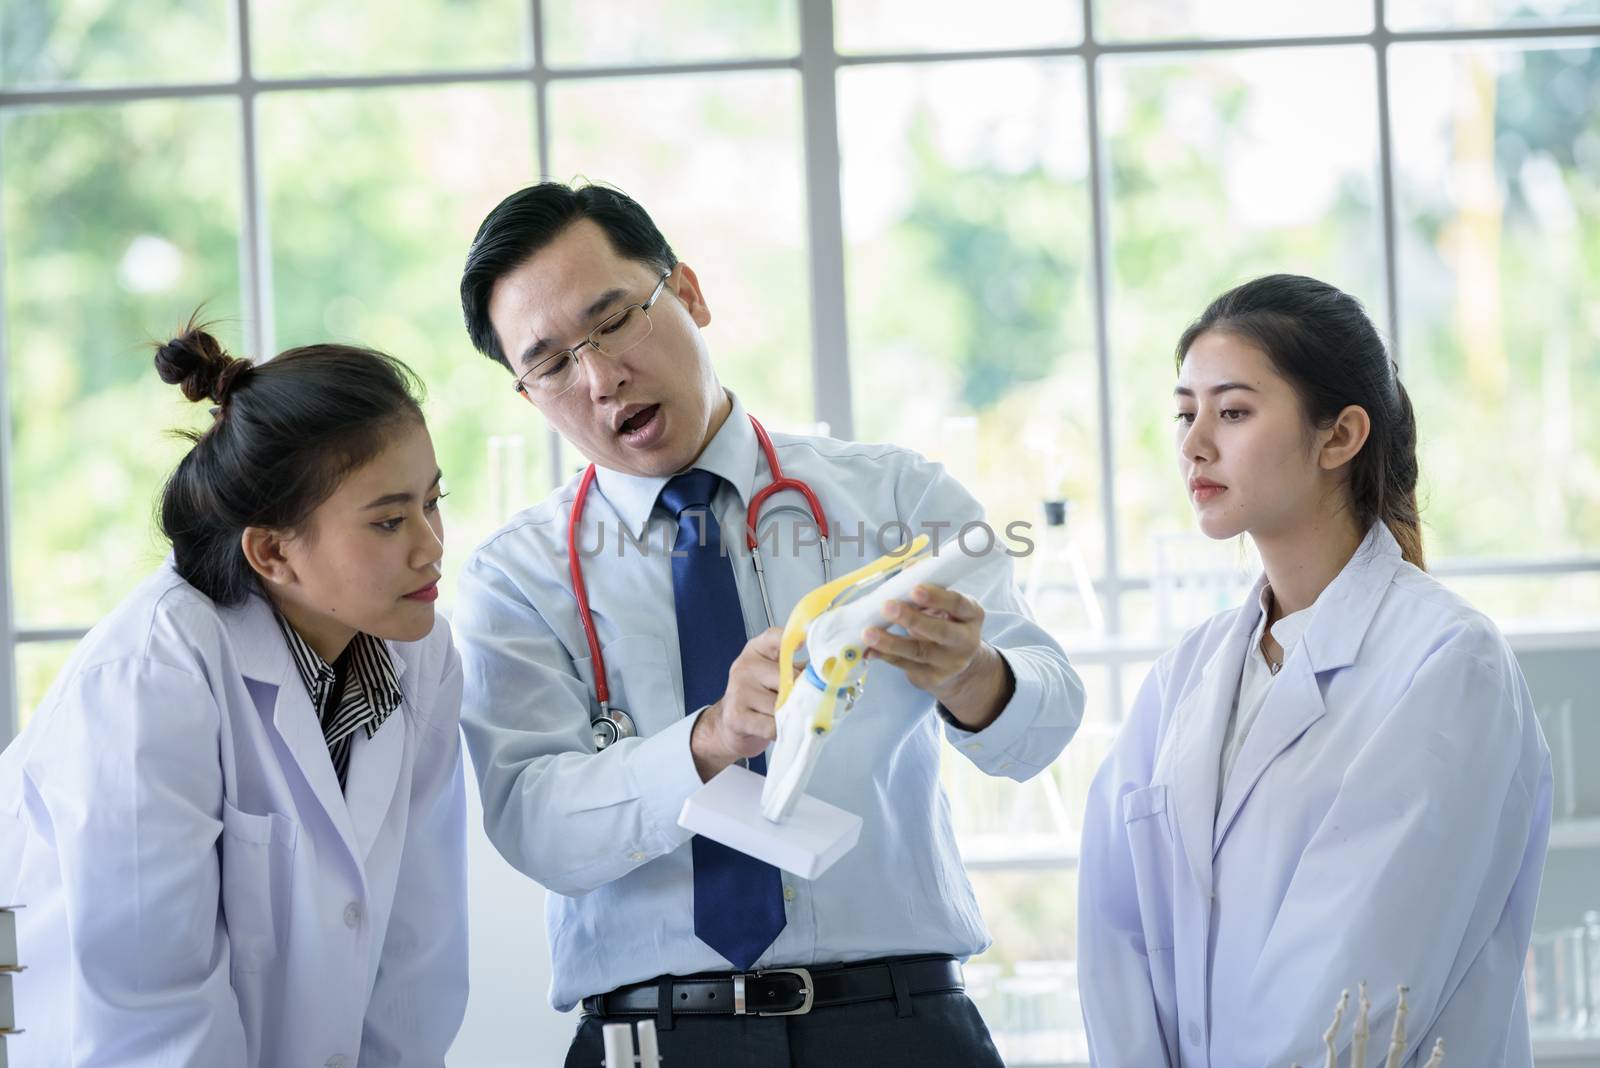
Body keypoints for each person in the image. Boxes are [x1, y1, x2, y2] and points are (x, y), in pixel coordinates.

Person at [453, 181, 1086, 1066]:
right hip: (655, 1039)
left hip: (898, 1025)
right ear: (528, 395)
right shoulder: (517, 576)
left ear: (690, 293)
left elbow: (1046, 727)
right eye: (552, 362)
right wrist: (709, 739)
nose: (600, 379)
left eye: (615, 321)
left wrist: (972, 673)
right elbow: (535, 826)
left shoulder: (892, 499)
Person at [1077, 275, 1552, 1066]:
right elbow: (1114, 935)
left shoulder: (1447, 663)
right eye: (1185, 412)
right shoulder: (1184, 677)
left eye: (1232, 411)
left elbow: (1360, 975)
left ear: (1339, 437)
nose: (1195, 443)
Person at [0, 324, 469, 1066]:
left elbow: (417, 954)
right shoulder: (149, 679)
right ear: (273, 550)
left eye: (433, 502)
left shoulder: (422, 654)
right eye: (388, 520)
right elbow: (154, 1020)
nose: (431, 545)